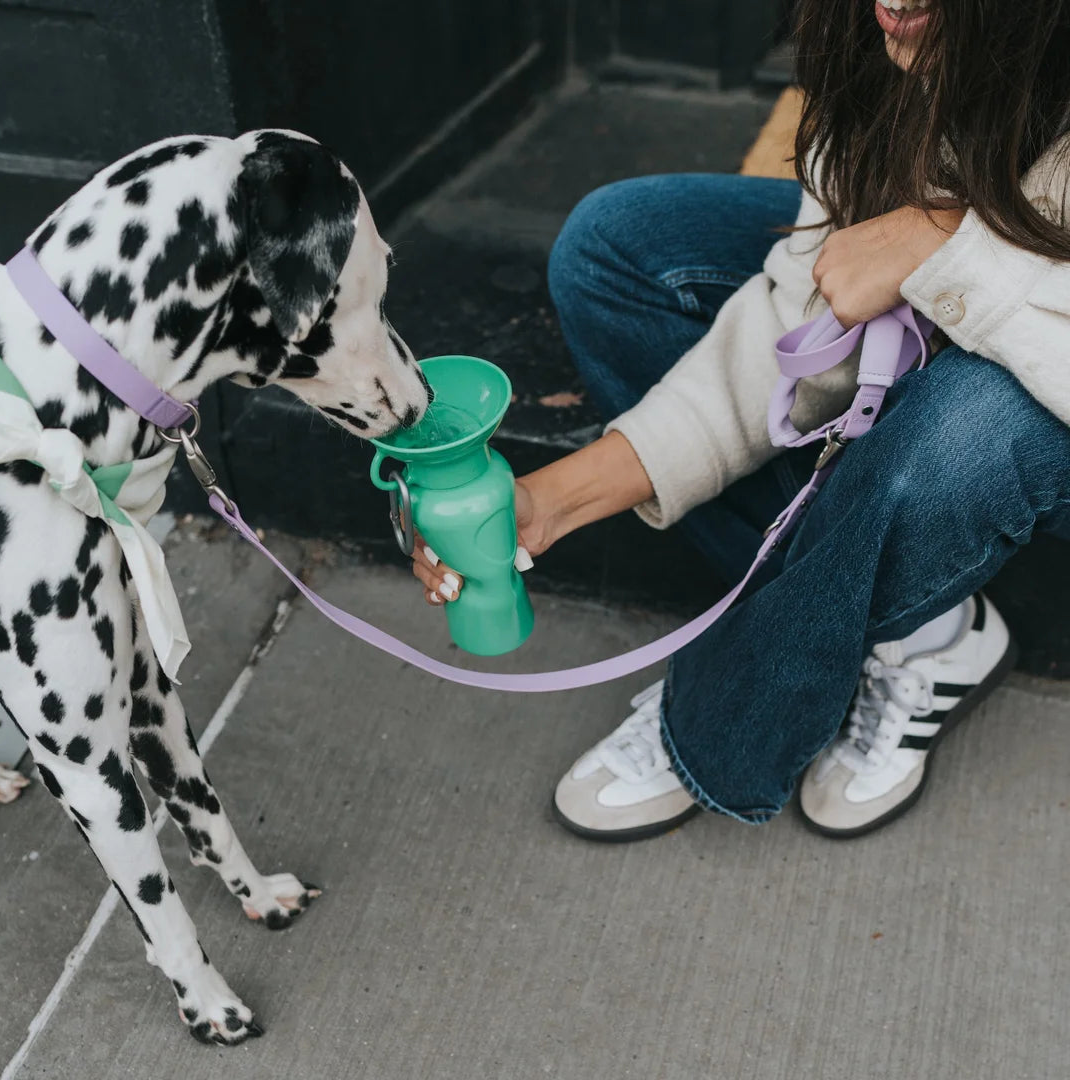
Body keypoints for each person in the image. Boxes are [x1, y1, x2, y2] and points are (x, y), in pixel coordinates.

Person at [412, 0, 1070, 841]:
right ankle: (925, 628)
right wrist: (556, 500)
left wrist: (945, 247)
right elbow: (801, 331)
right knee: (615, 250)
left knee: (955, 435)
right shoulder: (882, 41)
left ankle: (722, 717)